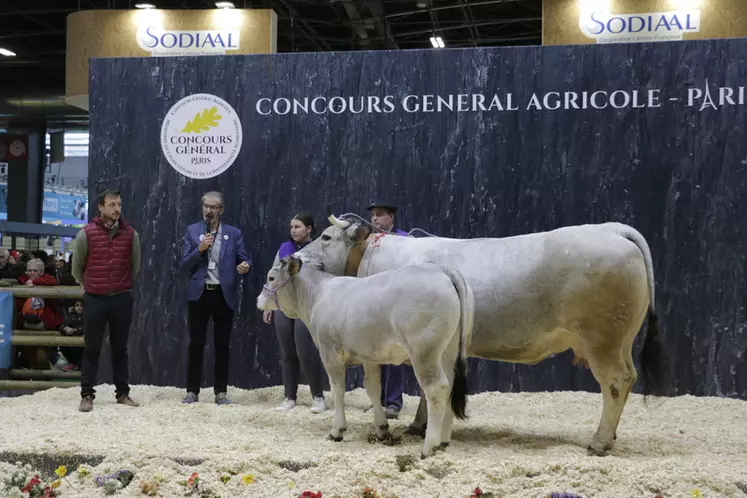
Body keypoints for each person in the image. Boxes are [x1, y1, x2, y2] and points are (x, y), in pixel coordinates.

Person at [71, 188, 141, 412]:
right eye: (112, 205)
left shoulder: (131, 234)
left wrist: (120, 284)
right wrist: (92, 286)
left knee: (120, 347)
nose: (117, 209)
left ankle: (122, 393)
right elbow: (76, 269)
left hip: (122, 298)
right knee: (92, 348)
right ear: (100, 207)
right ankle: (87, 395)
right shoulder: (86, 234)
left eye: (119, 204)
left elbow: (135, 267)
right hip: (95, 299)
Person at [180, 191, 251, 405]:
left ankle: (221, 392)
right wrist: (200, 250)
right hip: (199, 295)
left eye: (213, 207)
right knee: (196, 344)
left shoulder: (233, 233)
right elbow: (184, 264)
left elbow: (244, 259)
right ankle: (192, 391)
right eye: (206, 206)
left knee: (222, 344)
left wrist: (245, 266)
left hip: (223, 294)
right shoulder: (192, 231)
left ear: (221, 210)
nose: (209, 211)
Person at [263, 213, 327, 413]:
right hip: (284, 305)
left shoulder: (319, 250)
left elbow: (324, 278)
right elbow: (273, 275)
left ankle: (318, 397)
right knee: (288, 353)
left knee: (307, 352)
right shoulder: (284, 248)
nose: (293, 230)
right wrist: (269, 305)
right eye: (291, 227)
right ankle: (289, 397)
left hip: (306, 308)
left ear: (309, 229)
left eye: (298, 226)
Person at [367, 201, 408, 419]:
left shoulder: (404, 240)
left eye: (380, 214)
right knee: (375, 353)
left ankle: (393, 402)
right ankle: (378, 400)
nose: (375, 218)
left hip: (397, 304)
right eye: (373, 215)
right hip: (375, 304)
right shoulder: (370, 241)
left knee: (395, 354)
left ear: (391, 217)